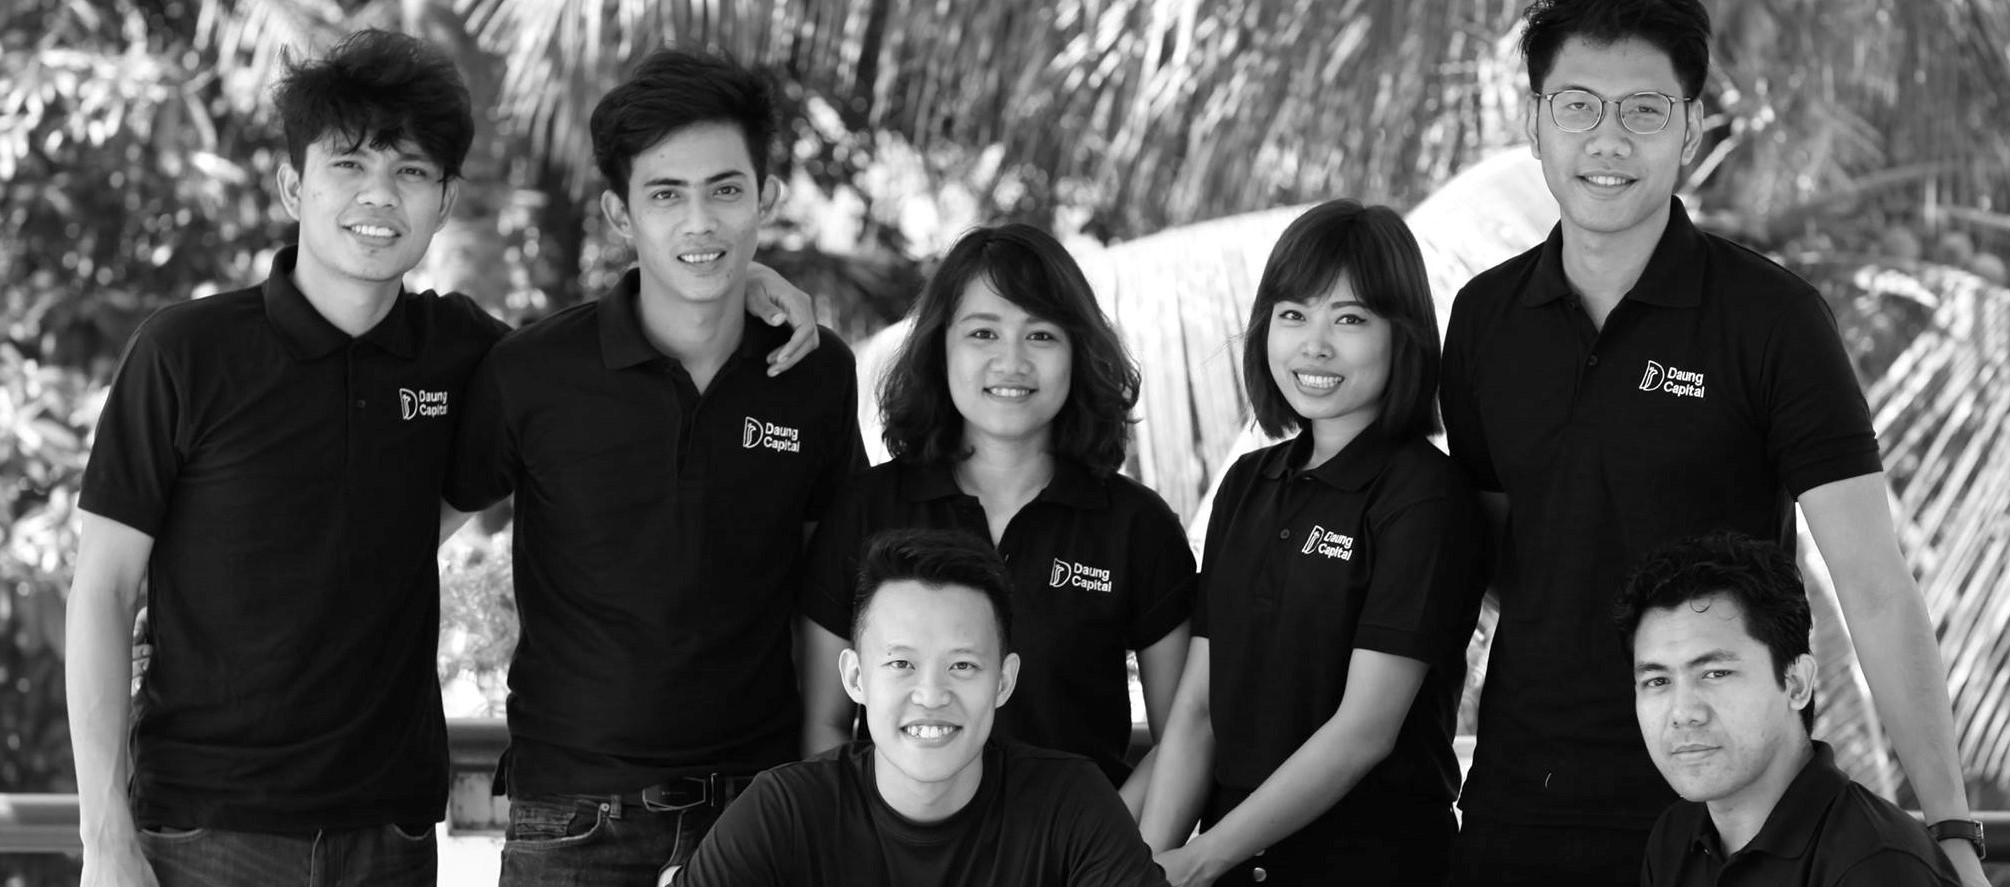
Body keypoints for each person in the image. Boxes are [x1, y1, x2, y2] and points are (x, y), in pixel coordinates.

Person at [1438, 2, 1986, 884]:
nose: (1608, 139)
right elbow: (1488, 556)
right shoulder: (1483, 320)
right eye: (1577, 105)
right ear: (1535, 121)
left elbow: (1875, 586)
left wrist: (1953, 826)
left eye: (1644, 109)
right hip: (1519, 799)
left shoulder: (1773, 320)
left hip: (1726, 819)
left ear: (1690, 128)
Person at [63, 30, 504, 887]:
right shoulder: (185, 352)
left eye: (411, 170)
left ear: (445, 199)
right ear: (293, 184)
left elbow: (607, 362)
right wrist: (105, 839)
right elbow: (103, 590)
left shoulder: (467, 354)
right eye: (349, 163)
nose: (379, 195)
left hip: (391, 838)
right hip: (204, 833)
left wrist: (743, 284)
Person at [441, 46, 865, 883]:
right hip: (574, 821)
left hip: (760, 809)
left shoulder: (814, 373)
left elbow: (832, 585)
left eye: (725, 190)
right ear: (620, 213)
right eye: (666, 195)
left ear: (766, 199)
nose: (699, 223)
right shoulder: (533, 372)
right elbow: (412, 540)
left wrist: (823, 783)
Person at [1139, 199, 1486, 886]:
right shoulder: (1247, 484)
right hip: (1231, 867)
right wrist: (1143, 868)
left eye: (1349, 319)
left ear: (1403, 336)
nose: (1314, 345)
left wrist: (1202, 858)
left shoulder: (1425, 495)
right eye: (1293, 314)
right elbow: (1198, 710)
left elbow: (1364, 731)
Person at [798, 223, 1194, 811]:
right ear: (941, 348)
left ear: (1078, 352)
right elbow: (824, 724)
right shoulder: (866, 510)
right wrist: (863, 846)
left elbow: (1181, 737)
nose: (1012, 361)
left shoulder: (1137, 526)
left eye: (1041, 335)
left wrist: (1114, 850)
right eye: (983, 332)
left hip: (1078, 853)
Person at [675, 528, 1170, 887]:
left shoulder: (1070, 803)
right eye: (901, 664)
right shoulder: (782, 811)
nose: (931, 695)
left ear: (1003, 682)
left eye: (962, 666)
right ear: (855, 678)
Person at [1619, 533, 1963, 886]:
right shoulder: (1675, 838)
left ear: (1797, 683)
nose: (1683, 712)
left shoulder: (1879, 865)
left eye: (1716, 673)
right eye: (1657, 681)